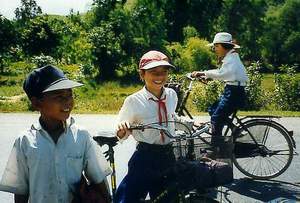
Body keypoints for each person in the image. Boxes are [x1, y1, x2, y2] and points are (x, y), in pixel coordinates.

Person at [0, 65, 112, 203]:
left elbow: (99, 180)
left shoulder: (82, 136)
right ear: (36, 103)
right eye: (58, 96)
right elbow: (21, 190)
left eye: (69, 95)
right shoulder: (25, 141)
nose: (67, 101)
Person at [114, 50, 193, 202]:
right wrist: (122, 129)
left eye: (164, 72)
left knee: (168, 198)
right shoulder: (134, 101)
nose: (160, 77)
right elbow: (121, 129)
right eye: (154, 72)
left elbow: (171, 118)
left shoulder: (171, 95)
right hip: (145, 157)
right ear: (142, 74)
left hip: (168, 155)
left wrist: (190, 123)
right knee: (128, 198)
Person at [192, 32, 248, 158]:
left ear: (223, 46)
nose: (215, 49)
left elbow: (223, 74)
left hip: (234, 92)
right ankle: (234, 129)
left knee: (216, 119)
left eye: (216, 46)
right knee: (213, 110)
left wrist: (203, 73)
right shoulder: (231, 57)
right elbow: (226, 74)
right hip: (232, 89)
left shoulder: (232, 59)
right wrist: (208, 76)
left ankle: (215, 149)